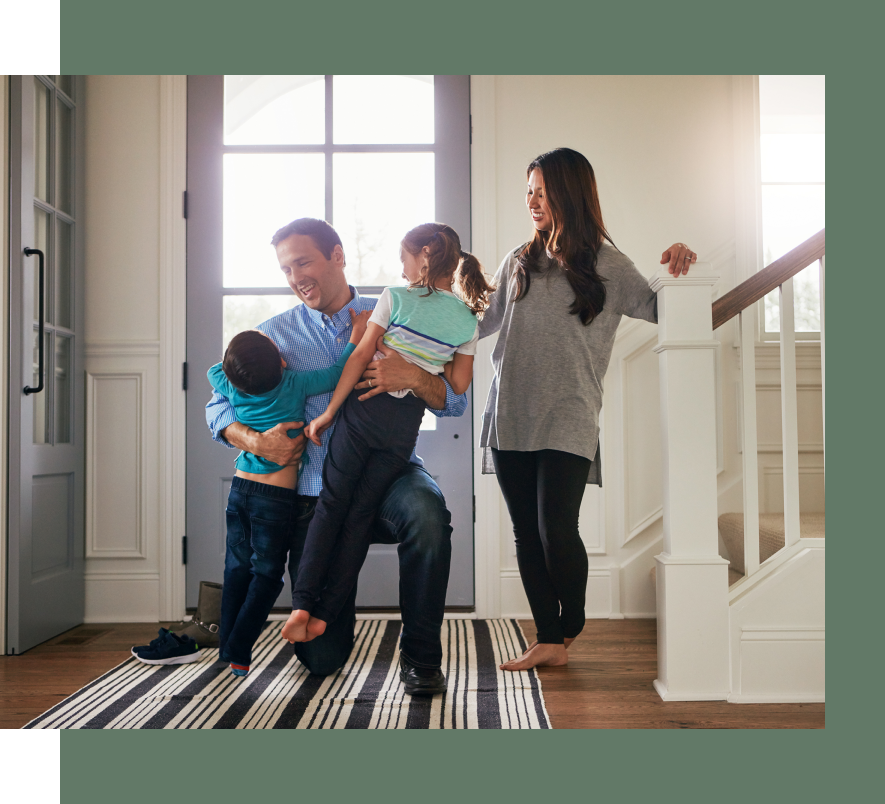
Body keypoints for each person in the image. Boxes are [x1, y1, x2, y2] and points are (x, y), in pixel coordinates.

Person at [205, 217, 468, 695]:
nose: (295, 276)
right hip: (312, 492)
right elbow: (216, 406)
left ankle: (422, 659)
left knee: (428, 515)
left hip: (391, 473)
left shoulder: (397, 308)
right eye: (286, 269)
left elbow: (455, 400)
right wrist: (256, 441)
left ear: (338, 256)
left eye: (303, 261)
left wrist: (412, 376)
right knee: (322, 659)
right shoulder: (272, 335)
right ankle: (320, 622)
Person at [477, 147, 696, 671]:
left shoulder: (609, 265)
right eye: (528, 190)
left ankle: (569, 622)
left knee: (557, 527)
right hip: (510, 411)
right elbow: (479, 325)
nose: (532, 201)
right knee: (525, 532)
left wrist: (681, 269)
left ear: (570, 194)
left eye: (543, 191)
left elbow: (667, 312)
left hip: (570, 412)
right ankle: (548, 639)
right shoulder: (518, 262)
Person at [280, 222, 493, 643]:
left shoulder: (391, 300)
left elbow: (361, 358)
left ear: (425, 256)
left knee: (336, 505)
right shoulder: (468, 322)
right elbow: (461, 385)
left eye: (403, 259)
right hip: (401, 432)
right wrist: (426, 364)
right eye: (287, 268)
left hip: (363, 419)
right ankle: (323, 615)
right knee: (357, 515)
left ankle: (304, 606)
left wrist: (329, 414)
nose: (400, 270)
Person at [208, 315, 369, 677]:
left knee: (236, 567)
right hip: (274, 499)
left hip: (240, 490)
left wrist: (236, 365)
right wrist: (356, 336)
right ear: (282, 361)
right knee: (266, 575)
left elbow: (213, 372)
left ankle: (226, 647)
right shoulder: (294, 383)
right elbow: (335, 373)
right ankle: (239, 649)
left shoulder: (231, 385)